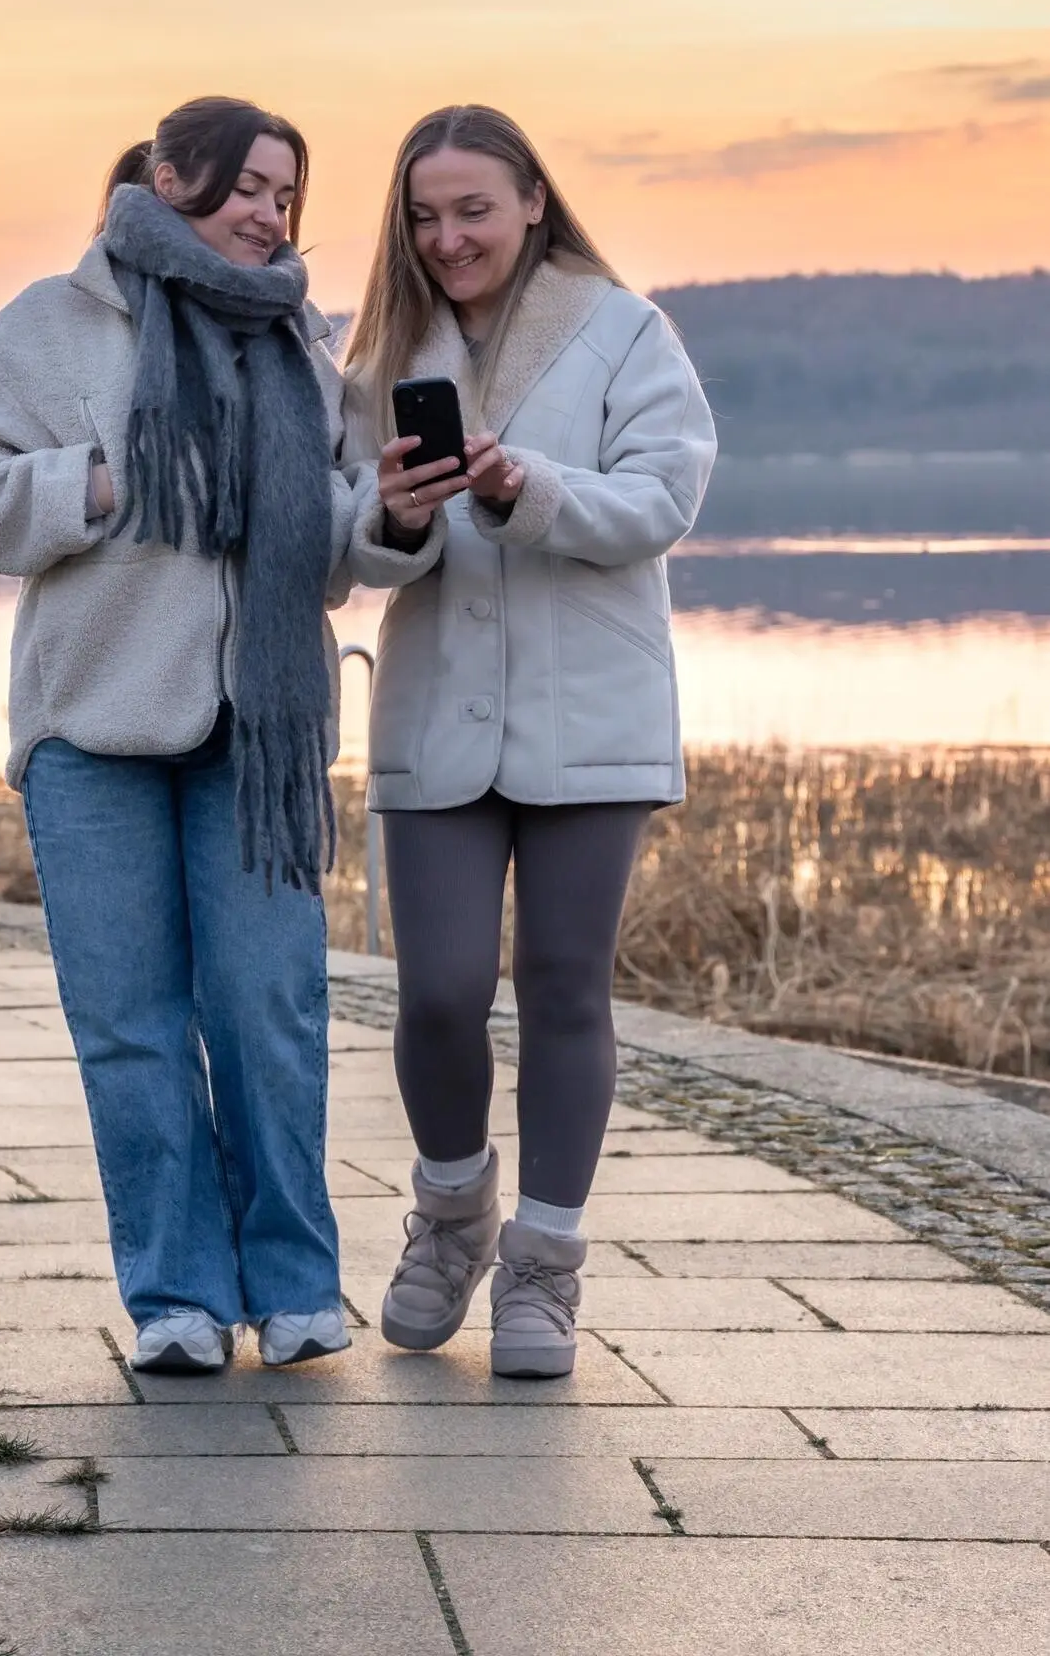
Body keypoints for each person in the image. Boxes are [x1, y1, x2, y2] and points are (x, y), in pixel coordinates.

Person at [0, 97, 462, 1374]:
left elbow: (324, 549)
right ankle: (174, 1296)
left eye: (287, 194)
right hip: (90, 727)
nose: (271, 214)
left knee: (268, 1007)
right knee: (130, 1020)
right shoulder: (51, 326)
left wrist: (385, 515)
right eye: (248, 187)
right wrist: (95, 482)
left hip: (258, 737)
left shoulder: (299, 345)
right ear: (168, 178)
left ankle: (294, 1284)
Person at [343, 103, 717, 1378]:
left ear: (533, 202)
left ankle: (544, 1267)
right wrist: (390, 517)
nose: (446, 236)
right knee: (439, 990)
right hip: (437, 703)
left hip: (590, 709)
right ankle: (451, 1218)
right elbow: (342, 539)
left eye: (472, 209)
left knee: (565, 983)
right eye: (424, 214)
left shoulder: (624, 329)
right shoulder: (383, 347)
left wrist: (525, 488)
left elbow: (664, 497)